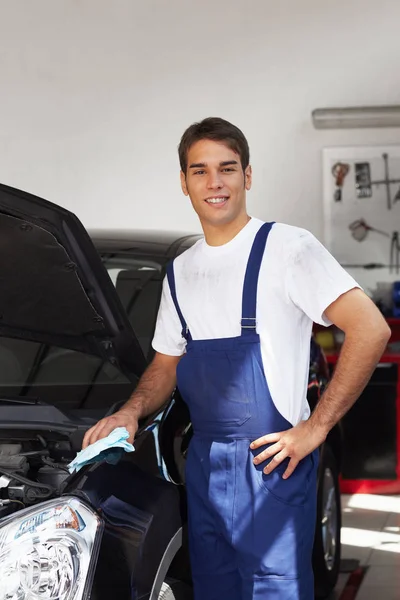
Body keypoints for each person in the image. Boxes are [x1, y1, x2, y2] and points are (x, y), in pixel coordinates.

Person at [83, 117, 390, 599]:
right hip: (206, 465)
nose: (215, 182)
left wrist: (316, 428)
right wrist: (129, 411)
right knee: (214, 589)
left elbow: (371, 328)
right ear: (183, 182)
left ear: (247, 176)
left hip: (272, 463)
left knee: (275, 591)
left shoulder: (287, 248)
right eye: (200, 171)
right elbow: (165, 366)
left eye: (227, 168)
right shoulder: (180, 273)